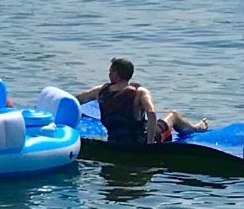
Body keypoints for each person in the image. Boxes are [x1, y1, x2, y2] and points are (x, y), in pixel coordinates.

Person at [77, 58, 205, 145]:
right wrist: (149, 143)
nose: (109, 74)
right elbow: (152, 113)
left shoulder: (100, 91)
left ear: (116, 74)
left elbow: (77, 99)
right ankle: (196, 128)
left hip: (114, 139)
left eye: (110, 72)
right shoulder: (140, 92)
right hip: (139, 141)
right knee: (173, 115)